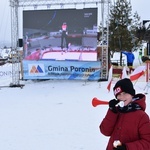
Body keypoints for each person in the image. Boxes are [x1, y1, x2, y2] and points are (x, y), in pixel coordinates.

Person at [99, 78, 150, 150]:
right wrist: (112, 111)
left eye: (125, 93)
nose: (122, 97)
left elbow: (148, 143)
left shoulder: (142, 116)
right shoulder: (116, 112)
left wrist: (127, 148)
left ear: (132, 95)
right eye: (119, 94)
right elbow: (105, 131)